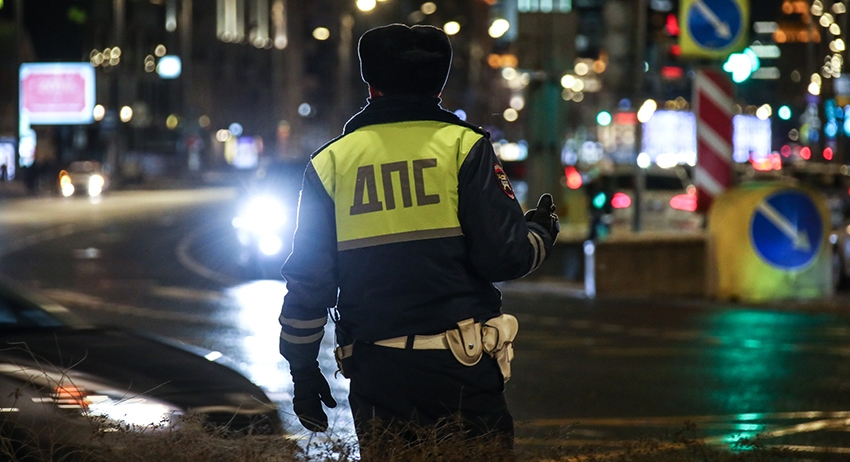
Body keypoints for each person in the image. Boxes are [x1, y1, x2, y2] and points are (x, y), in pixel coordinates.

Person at [277, 23, 560, 454]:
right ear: (439, 86)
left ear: (370, 85)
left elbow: (308, 283)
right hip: (462, 368)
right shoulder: (464, 148)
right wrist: (540, 232)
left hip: (377, 375)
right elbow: (504, 257)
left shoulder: (331, 162)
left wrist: (302, 371)